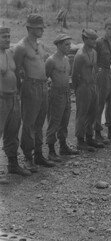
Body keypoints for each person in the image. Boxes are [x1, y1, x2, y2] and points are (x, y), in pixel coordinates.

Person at [14, 13, 55, 172]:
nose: (42, 30)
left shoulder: (40, 45)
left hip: (43, 86)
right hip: (30, 87)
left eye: (43, 27)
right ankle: (28, 156)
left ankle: (39, 154)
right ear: (29, 28)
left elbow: (43, 63)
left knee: (40, 123)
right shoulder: (21, 47)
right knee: (29, 123)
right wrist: (18, 92)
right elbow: (16, 70)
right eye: (39, 27)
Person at [0, 27, 31, 184]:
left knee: (12, 132)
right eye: (4, 36)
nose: (7, 38)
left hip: (13, 98)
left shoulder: (10, 53)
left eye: (8, 36)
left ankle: (13, 164)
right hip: (1, 99)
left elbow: (17, 72)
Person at [45, 34, 79, 162]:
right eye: (66, 44)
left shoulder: (66, 59)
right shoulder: (51, 60)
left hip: (66, 92)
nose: (69, 47)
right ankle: (51, 150)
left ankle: (63, 145)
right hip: (55, 93)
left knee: (65, 119)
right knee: (54, 121)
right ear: (58, 45)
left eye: (70, 44)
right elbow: (45, 76)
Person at [72, 29, 104, 152]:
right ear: (85, 39)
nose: (94, 41)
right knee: (82, 113)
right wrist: (78, 89)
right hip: (83, 86)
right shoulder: (80, 55)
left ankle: (89, 137)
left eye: (95, 39)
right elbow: (74, 75)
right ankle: (80, 140)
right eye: (91, 39)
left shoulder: (94, 52)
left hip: (93, 85)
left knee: (93, 112)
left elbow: (95, 69)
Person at [94, 18, 111, 142]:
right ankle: (97, 131)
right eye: (109, 29)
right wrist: (96, 74)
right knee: (99, 102)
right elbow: (94, 59)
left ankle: (110, 129)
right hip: (102, 72)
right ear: (105, 29)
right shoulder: (99, 42)